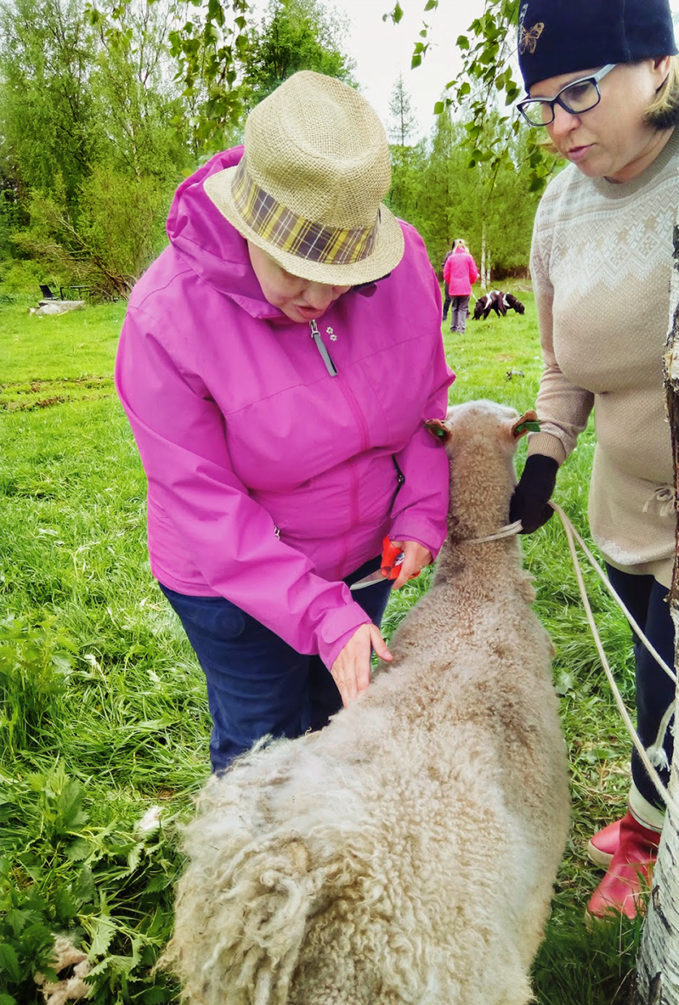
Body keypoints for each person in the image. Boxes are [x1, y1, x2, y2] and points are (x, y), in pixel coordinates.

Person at [115, 71, 454, 774]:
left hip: (363, 559)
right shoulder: (164, 320)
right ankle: (251, 878)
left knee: (334, 727)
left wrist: (422, 511)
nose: (322, 294)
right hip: (229, 580)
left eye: (344, 269)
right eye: (296, 266)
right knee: (262, 746)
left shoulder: (408, 264)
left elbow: (424, 403)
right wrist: (319, 614)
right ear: (247, 229)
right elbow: (205, 504)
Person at [510, 0, 679, 920]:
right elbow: (558, 360)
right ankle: (648, 817)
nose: (556, 128)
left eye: (576, 92)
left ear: (657, 66)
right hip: (625, 506)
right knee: (652, 674)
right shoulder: (559, 205)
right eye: (537, 105)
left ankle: (656, 845)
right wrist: (544, 455)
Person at [442, 239, 479, 333]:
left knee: (454, 307)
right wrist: (470, 281)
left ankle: (453, 328)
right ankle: (461, 329)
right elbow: (473, 273)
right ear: (464, 247)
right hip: (465, 287)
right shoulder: (468, 257)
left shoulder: (451, 258)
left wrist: (450, 282)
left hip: (453, 287)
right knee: (463, 308)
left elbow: (446, 274)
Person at [440, 241, 456, 321]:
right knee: (448, 298)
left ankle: (461, 316)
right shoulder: (449, 254)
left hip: (456, 279)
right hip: (449, 279)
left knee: (458, 298)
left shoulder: (463, 255)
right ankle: (444, 315)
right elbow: (443, 265)